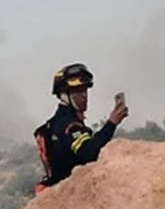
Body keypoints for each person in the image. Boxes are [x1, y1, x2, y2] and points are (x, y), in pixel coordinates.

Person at [33, 63, 129, 195]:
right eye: (78, 91)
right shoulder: (67, 124)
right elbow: (89, 153)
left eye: (85, 90)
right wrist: (111, 123)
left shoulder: (57, 122)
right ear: (64, 95)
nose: (84, 95)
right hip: (68, 196)